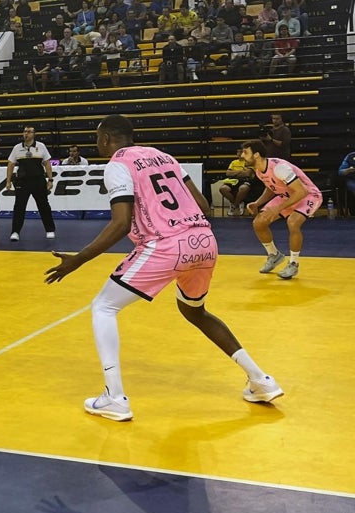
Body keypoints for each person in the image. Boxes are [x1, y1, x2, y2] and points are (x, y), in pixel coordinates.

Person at [44, 115, 283, 422]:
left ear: (105, 139)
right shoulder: (164, 156)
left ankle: (115, 398)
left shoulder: (118, 164)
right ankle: (261, 380)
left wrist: (78, 259)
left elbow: (120, 223)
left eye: (97, 138)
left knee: (103, 307)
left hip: (165, 245)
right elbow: (205, 207)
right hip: (204, 240)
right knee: (195, 311)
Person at [240, 139, 321, 280]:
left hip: (308, 195)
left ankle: (293, 263)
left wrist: (277, 208)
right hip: (288, 195)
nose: (241, 155)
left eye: (245, 152)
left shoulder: (279, 168)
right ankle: (274, 255)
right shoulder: (260, 170)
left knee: (293, 222)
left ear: (256, 155)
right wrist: (258, 203)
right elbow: (272, 187)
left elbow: (301, 192)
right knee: (259, 222)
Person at [5, 126, 56, 241]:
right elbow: (11, 164)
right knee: (19, 207)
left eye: (29, 132)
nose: (26, 134)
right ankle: (15, 232)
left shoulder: (41, 146)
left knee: (44, 206)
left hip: (38, 180)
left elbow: (47, 163)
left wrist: (50, 179)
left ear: (34, 134)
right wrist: (8, 180)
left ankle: (50, 230)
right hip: (22, 182)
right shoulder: (17, 148)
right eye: (25, 132)